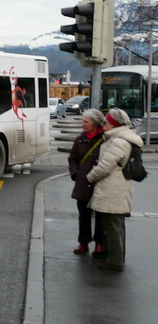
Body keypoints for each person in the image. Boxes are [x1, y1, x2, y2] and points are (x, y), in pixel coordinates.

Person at [86, 108, 143, 272]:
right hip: (118, 187)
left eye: (107, 123)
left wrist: (90, 177)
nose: (104, 125)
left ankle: (115, 260)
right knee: (114, 226)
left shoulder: (118, 141)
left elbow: (105, 166)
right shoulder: (122, 138)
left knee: (112, 227)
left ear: (114, 125)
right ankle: (113, 255)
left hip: (112, 189)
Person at [68, 108, 106, 256]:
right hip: (83, 183)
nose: (83, 124)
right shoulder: (80, 139)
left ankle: (99, 243)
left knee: (100, 215)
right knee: (84, 215)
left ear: (95, 123)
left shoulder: (105, 139)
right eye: (82, 121)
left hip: (100, 182)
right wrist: (75, 174)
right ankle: (83, 242)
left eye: (86, 122)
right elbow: (73, 159)